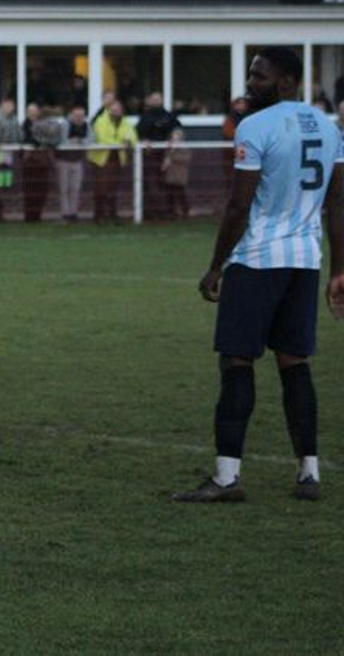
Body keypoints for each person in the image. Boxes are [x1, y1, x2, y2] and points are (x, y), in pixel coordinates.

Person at [176, 47, 344, 503]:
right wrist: (338, 269)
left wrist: (215, 266)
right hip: (304, 261)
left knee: (236, 363)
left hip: (258, 259)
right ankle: (309, 473)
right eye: (251, 75)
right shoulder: (329, 128)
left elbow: (238, 204)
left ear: (287, 81)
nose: (251, 84)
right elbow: (336, 205)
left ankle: (227, 479)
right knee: (295, 364)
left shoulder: (256, 126)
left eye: (260, 76)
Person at [88, 100, 137, 224]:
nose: (117, 112)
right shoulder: (100, 121)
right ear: (109, 110)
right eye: (114, 110)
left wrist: (128, 142)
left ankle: (112, 214)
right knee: (101, 189)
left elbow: (132, 137)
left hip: (117, 160)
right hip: (102, 160)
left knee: (113, 189)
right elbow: (103, 139)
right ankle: (98, 215)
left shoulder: (125, 123)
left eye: (119, 110)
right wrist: (121, 144)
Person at [136, 92, 182, 220]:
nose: (156, 101)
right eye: (153, 99)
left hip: (167, 155)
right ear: (149, 101)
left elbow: (178, 130)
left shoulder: (168, 116)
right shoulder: (144, 117)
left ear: (162, 100)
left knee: (168, 184)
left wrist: (175, 137)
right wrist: (144, 140)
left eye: (158, 99)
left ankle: (169, 211)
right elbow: (138, 133)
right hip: (149, 156)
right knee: (151, 184)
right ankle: (151, 213)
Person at [0, 97, 21, 223]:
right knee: (1, 169)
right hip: (0, 150)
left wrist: (17, 142)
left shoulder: (14, 119)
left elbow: (18, 133)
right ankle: (3, 187)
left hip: (9, 150)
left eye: (12, 105)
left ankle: (6, 187)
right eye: (7, 105)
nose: (10, 107)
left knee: (7, 169)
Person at [55, 104, 90, 222]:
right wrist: (73, 142)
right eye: (76, 115)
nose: (79, 118)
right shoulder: (65, 125)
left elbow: (91, 139)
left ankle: (74, 212)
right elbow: (61, 140)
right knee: (64, 188)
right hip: (63, 160)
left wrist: (80, 141)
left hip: (77, 160)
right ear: (71, 115)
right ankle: (65, 213)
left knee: (76, 188)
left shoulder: (87, 125)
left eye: (81, 115)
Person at [161, 127, 192, 220]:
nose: (174, 139)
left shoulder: (184, 148)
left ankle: (185, 211)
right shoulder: (169, 148)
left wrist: (172, 158)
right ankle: (171, 212)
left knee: (180, 193)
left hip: (180, 175)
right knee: (169, 194)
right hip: (170, 175)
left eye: (177, 137)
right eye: (173, 137)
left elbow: (186, 159)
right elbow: (166, 158)